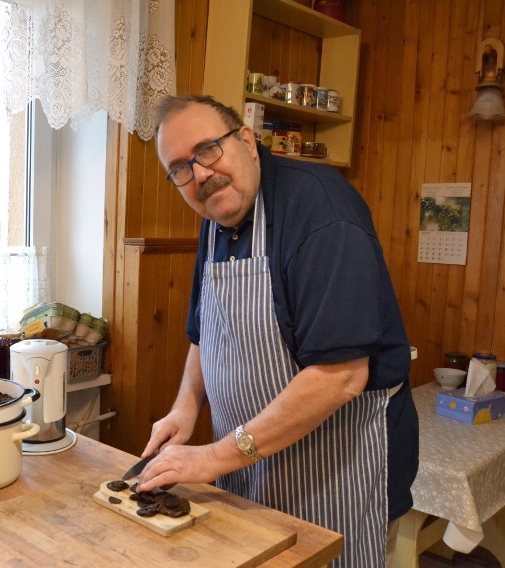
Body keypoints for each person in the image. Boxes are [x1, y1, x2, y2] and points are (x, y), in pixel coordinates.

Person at [135, 94, 419, 568]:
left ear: (246, 140)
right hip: (248, 459)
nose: (200, 174)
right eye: (180, 168)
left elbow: (340, 376)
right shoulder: (216, 215)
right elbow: (206, 332)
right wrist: (185, 407)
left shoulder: (321, 210)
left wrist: (214, 457)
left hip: (338, 463)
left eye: (208, 150)